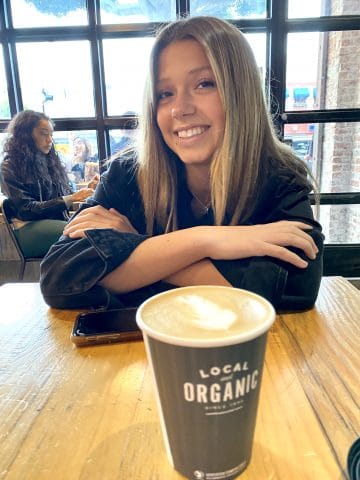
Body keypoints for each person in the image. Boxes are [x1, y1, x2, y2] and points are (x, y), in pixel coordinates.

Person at [40, 16, 323, 312]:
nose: (180, 109)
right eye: (165, 94)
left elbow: (295, 286)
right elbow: (61, 277)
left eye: (204, 84)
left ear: (241, 93)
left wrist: (137, 246)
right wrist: (207, 241)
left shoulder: (279, 177)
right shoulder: (128, 174)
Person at [0, 110, 94, 257]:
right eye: (44, 134)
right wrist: (71, 198)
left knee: (98, 229)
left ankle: (76, 280)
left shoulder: (49, 161)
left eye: (51, 135)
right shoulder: (9, 166)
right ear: (26, 135)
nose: (50, 140)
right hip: (27, 227)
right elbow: (26, 210)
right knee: (86, 236)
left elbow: (64, 195)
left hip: (54, 223)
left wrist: (86, 191)